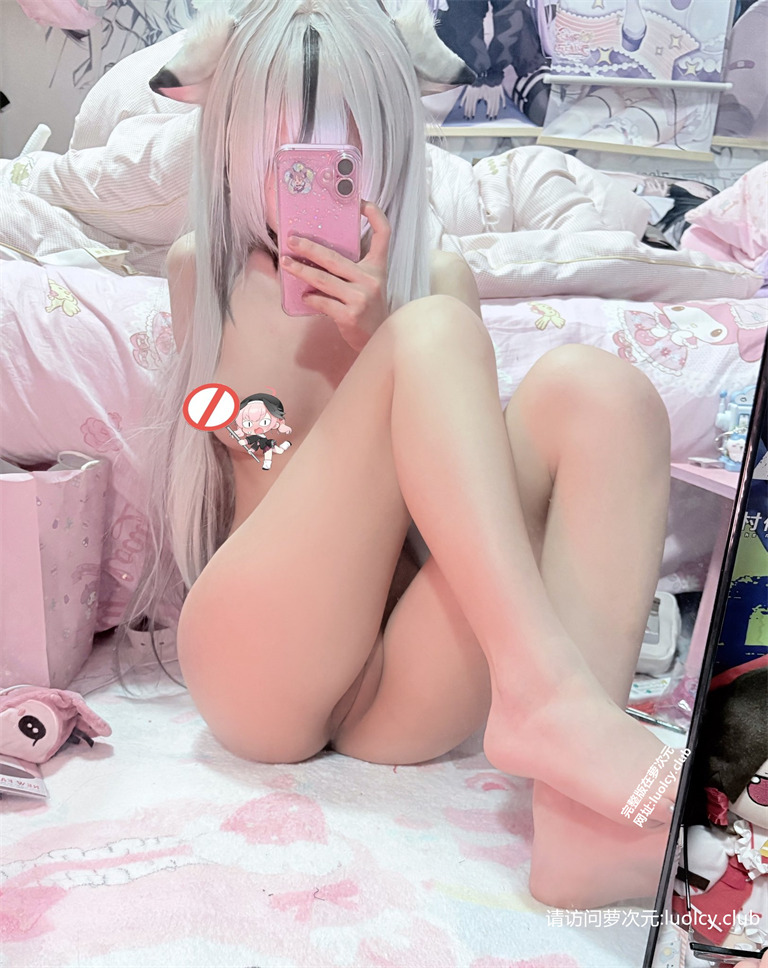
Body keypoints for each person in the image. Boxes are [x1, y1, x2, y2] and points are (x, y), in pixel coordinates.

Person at [131, 0, 677, 909]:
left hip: (404, 681)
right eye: (283, 143)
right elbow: (212, 420)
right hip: (262, 657)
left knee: (601, 393)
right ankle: (550, 701)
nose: (309, 167)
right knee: (430, 336)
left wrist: (376, 335)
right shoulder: (205, 268)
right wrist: (283, 415)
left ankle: (581, 826)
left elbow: (462, 507)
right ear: (231, 141)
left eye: (339, 147)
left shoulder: (437, 280)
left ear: (384, 141)